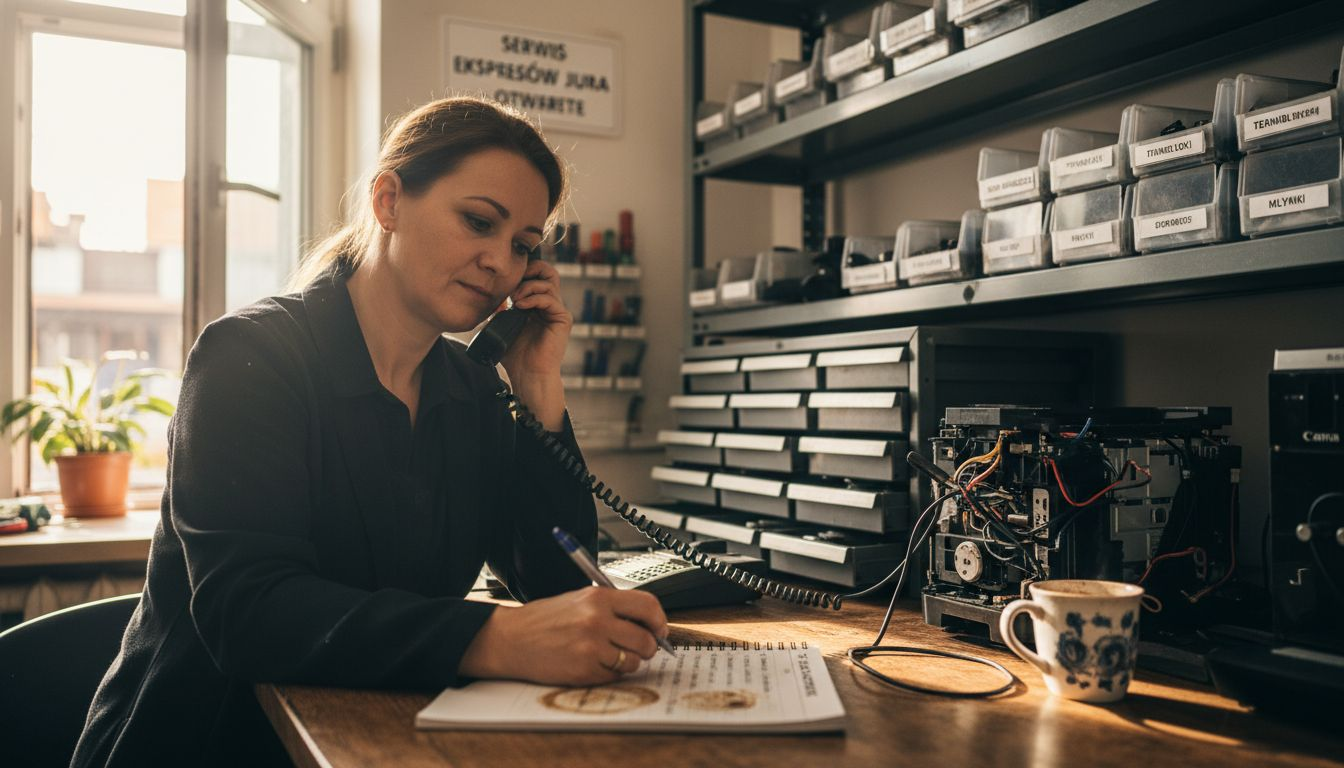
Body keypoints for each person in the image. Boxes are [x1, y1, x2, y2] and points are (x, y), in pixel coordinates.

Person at [71, 96, 668, 767]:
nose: (501, 264)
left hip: (375, 735)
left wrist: (539, 397)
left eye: (523, 247)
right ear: (388, 201)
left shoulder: (471, 391)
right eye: (479, 222)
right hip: (209, 740)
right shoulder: (251, 357)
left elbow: (559, 588)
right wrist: (495, 637)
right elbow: (249, 613)